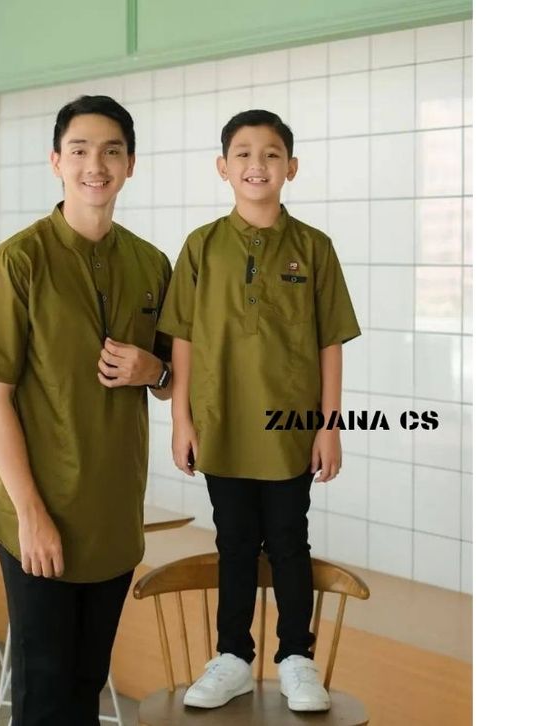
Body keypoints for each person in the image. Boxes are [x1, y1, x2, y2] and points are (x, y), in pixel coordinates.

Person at [0, 95, 173, 725]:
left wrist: (154, 371)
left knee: (85, 690)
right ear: (56, 161)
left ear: (130, 163)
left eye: (111, 151)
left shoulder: (151, 265)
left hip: (114, 520)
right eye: (79, 150)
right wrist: (31, 514)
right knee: (45, 700)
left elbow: (173, 381)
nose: (95, 165)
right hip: (41, 520)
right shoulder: (15, 264)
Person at [157, 109, 361, 713]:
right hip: (220, 424)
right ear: (222, 167)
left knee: (290, 541)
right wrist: (181, 420)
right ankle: (233, 659)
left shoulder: (314, 248)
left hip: (289, 431)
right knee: (235, 543)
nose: (257, 165)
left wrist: (329, 428)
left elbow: (330, 343)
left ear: (290, 168)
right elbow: (182, 339)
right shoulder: (201, 246)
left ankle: (297, 657)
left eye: (271, 154)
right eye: (242, 154)